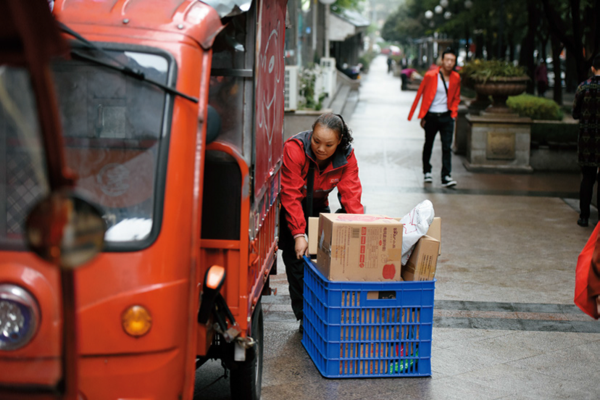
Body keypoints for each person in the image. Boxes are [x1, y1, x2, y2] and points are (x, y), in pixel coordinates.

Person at [279, 113, 364, 332]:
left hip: (318, 206)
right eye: (316, 141)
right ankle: (304, 318)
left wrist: (362, 231)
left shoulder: (346, 156)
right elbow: (290, 194)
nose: (321, 148)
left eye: (329, 144)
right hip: (293, 207)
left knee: (323, 259)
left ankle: (324, 311)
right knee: (296, 261)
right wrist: (299, 235)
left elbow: (351, 195)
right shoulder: (294, 148)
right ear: (311, 134)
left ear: (340, 141)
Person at [408, 48, 461, 187]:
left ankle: (446, 176)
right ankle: (427, 171)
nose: (449, 63)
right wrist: (421, 116)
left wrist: (453, 112)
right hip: (431, 116)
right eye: (447, 60)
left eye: (452, 60)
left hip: (447, 117)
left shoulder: (456, 77)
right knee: (428, 144)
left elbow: (456, 97)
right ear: (442, 60)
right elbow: (422, 95)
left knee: (446, 147)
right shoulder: (431, 75)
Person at [573, 54, 600, 227]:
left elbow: (575, 113)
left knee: (587, 178)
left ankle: (584, 216)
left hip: (587, 140)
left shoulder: (583, 87)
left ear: (592, 68)